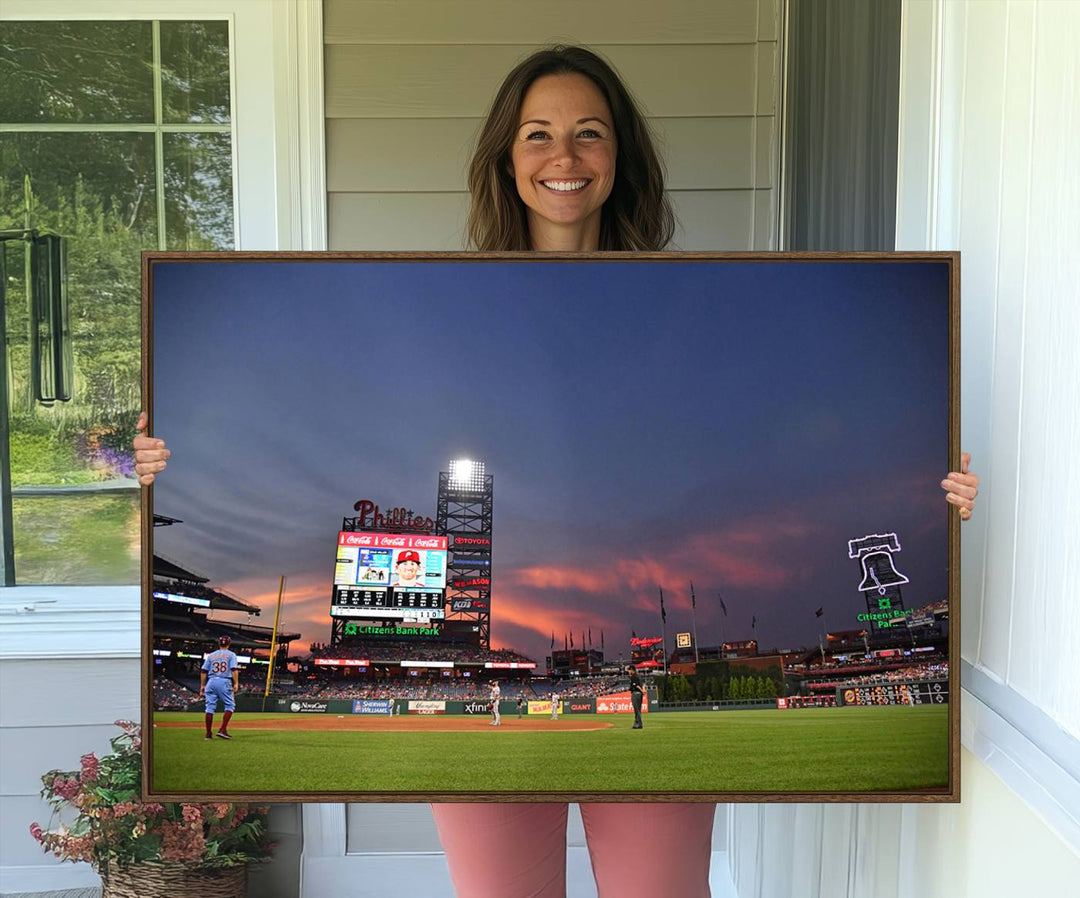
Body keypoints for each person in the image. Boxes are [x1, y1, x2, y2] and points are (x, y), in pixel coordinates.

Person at [135, 43, 980, 898]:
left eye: (589, 133)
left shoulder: (687, 304)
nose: (563, 157)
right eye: (538, 134)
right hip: (494, 723)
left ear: (621, 158)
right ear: (507, 157)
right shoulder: (449, 311)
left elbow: (805, 446)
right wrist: (162, 463)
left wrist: (930, 487)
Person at [201, 634, 238, 740]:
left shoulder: (211, 655)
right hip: (224, 681)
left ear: (218, 643)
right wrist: (235, 683)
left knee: (209, 708)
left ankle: (208, 734)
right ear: (229, 644)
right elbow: (234, 669)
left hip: (211, 681)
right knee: (230, 706)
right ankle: (222, 729)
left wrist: (202, 685)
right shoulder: (231, 655)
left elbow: (203, 671)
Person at [627, 665, 645, 729]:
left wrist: (642, 690)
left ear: (632, 670)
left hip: (635, 693)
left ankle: (637, 724)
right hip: (640, 694)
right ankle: (639, 724)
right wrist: (643, 690)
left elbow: (636, 685)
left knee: (636, 710)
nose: (628, 671)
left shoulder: (633, 676)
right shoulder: (639, 676)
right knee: (638, 710)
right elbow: (642, 684)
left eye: (629, 670)